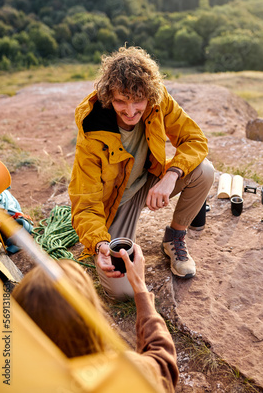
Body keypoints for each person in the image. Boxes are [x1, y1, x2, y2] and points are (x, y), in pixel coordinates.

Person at [68, 45, 215, 300]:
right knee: (122, 291)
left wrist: (171, 176)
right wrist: (100, 244)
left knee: (204, 170)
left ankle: (174, 238)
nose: (130, 111)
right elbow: (85, 206)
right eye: (120, 102)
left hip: (148, 181)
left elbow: (195, 140)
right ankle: (111, 249)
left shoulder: (159, 100)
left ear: (149, 94)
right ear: (107, 96)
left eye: (138, 101)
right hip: (115, 205)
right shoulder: (92, 132)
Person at [12, 245, 179, 393]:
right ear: (87, 321)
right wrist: (139, 286)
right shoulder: (120, 374)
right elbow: (163, 360)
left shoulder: (12, 381)